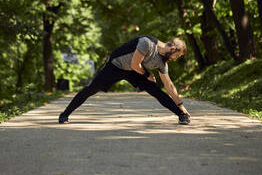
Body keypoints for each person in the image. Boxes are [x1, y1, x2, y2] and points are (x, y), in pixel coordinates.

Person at [58, 35, 191, 125]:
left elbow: (169, 85)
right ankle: (64, 115)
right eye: (176, 56)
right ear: (172, 49)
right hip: (116, 65)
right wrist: (147, 75)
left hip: (134, 71)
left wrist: (181, 105)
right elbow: (135, 64)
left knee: (155, 90)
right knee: (91, 89)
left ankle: (181, 116)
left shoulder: (162, 62)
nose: (175, 59)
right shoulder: (147, 43)